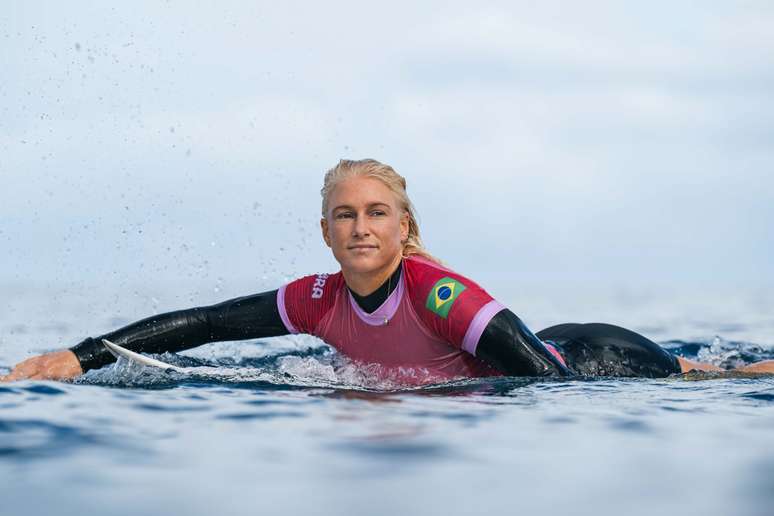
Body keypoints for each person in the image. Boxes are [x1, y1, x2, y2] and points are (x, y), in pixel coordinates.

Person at [2, 159, 772, 384]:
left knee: (712, 375)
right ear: (326, 232)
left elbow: (549, 384)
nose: (360, 226)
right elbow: (204, 325)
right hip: (544, 355)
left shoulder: (441, 293)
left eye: (376, 213)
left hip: (599, 360)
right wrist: (78, 355)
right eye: (345, 215)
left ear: (403, 229)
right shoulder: (314, 299)